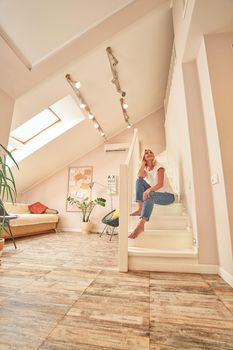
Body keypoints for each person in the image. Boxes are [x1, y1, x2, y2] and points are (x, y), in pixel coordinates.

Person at [128, 149, 175, 239]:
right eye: (146, 153)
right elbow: (139, 175)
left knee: (150, 195)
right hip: (155, 194)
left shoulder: (159, 167)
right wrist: (142, 164)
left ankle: (141, 225)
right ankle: (140, 208)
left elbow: (160, 184)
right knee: (139, 181)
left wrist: (148, 190)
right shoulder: (147, 169)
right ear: (144, 158)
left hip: (167, 196)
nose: (149, 154)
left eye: (151, 152)